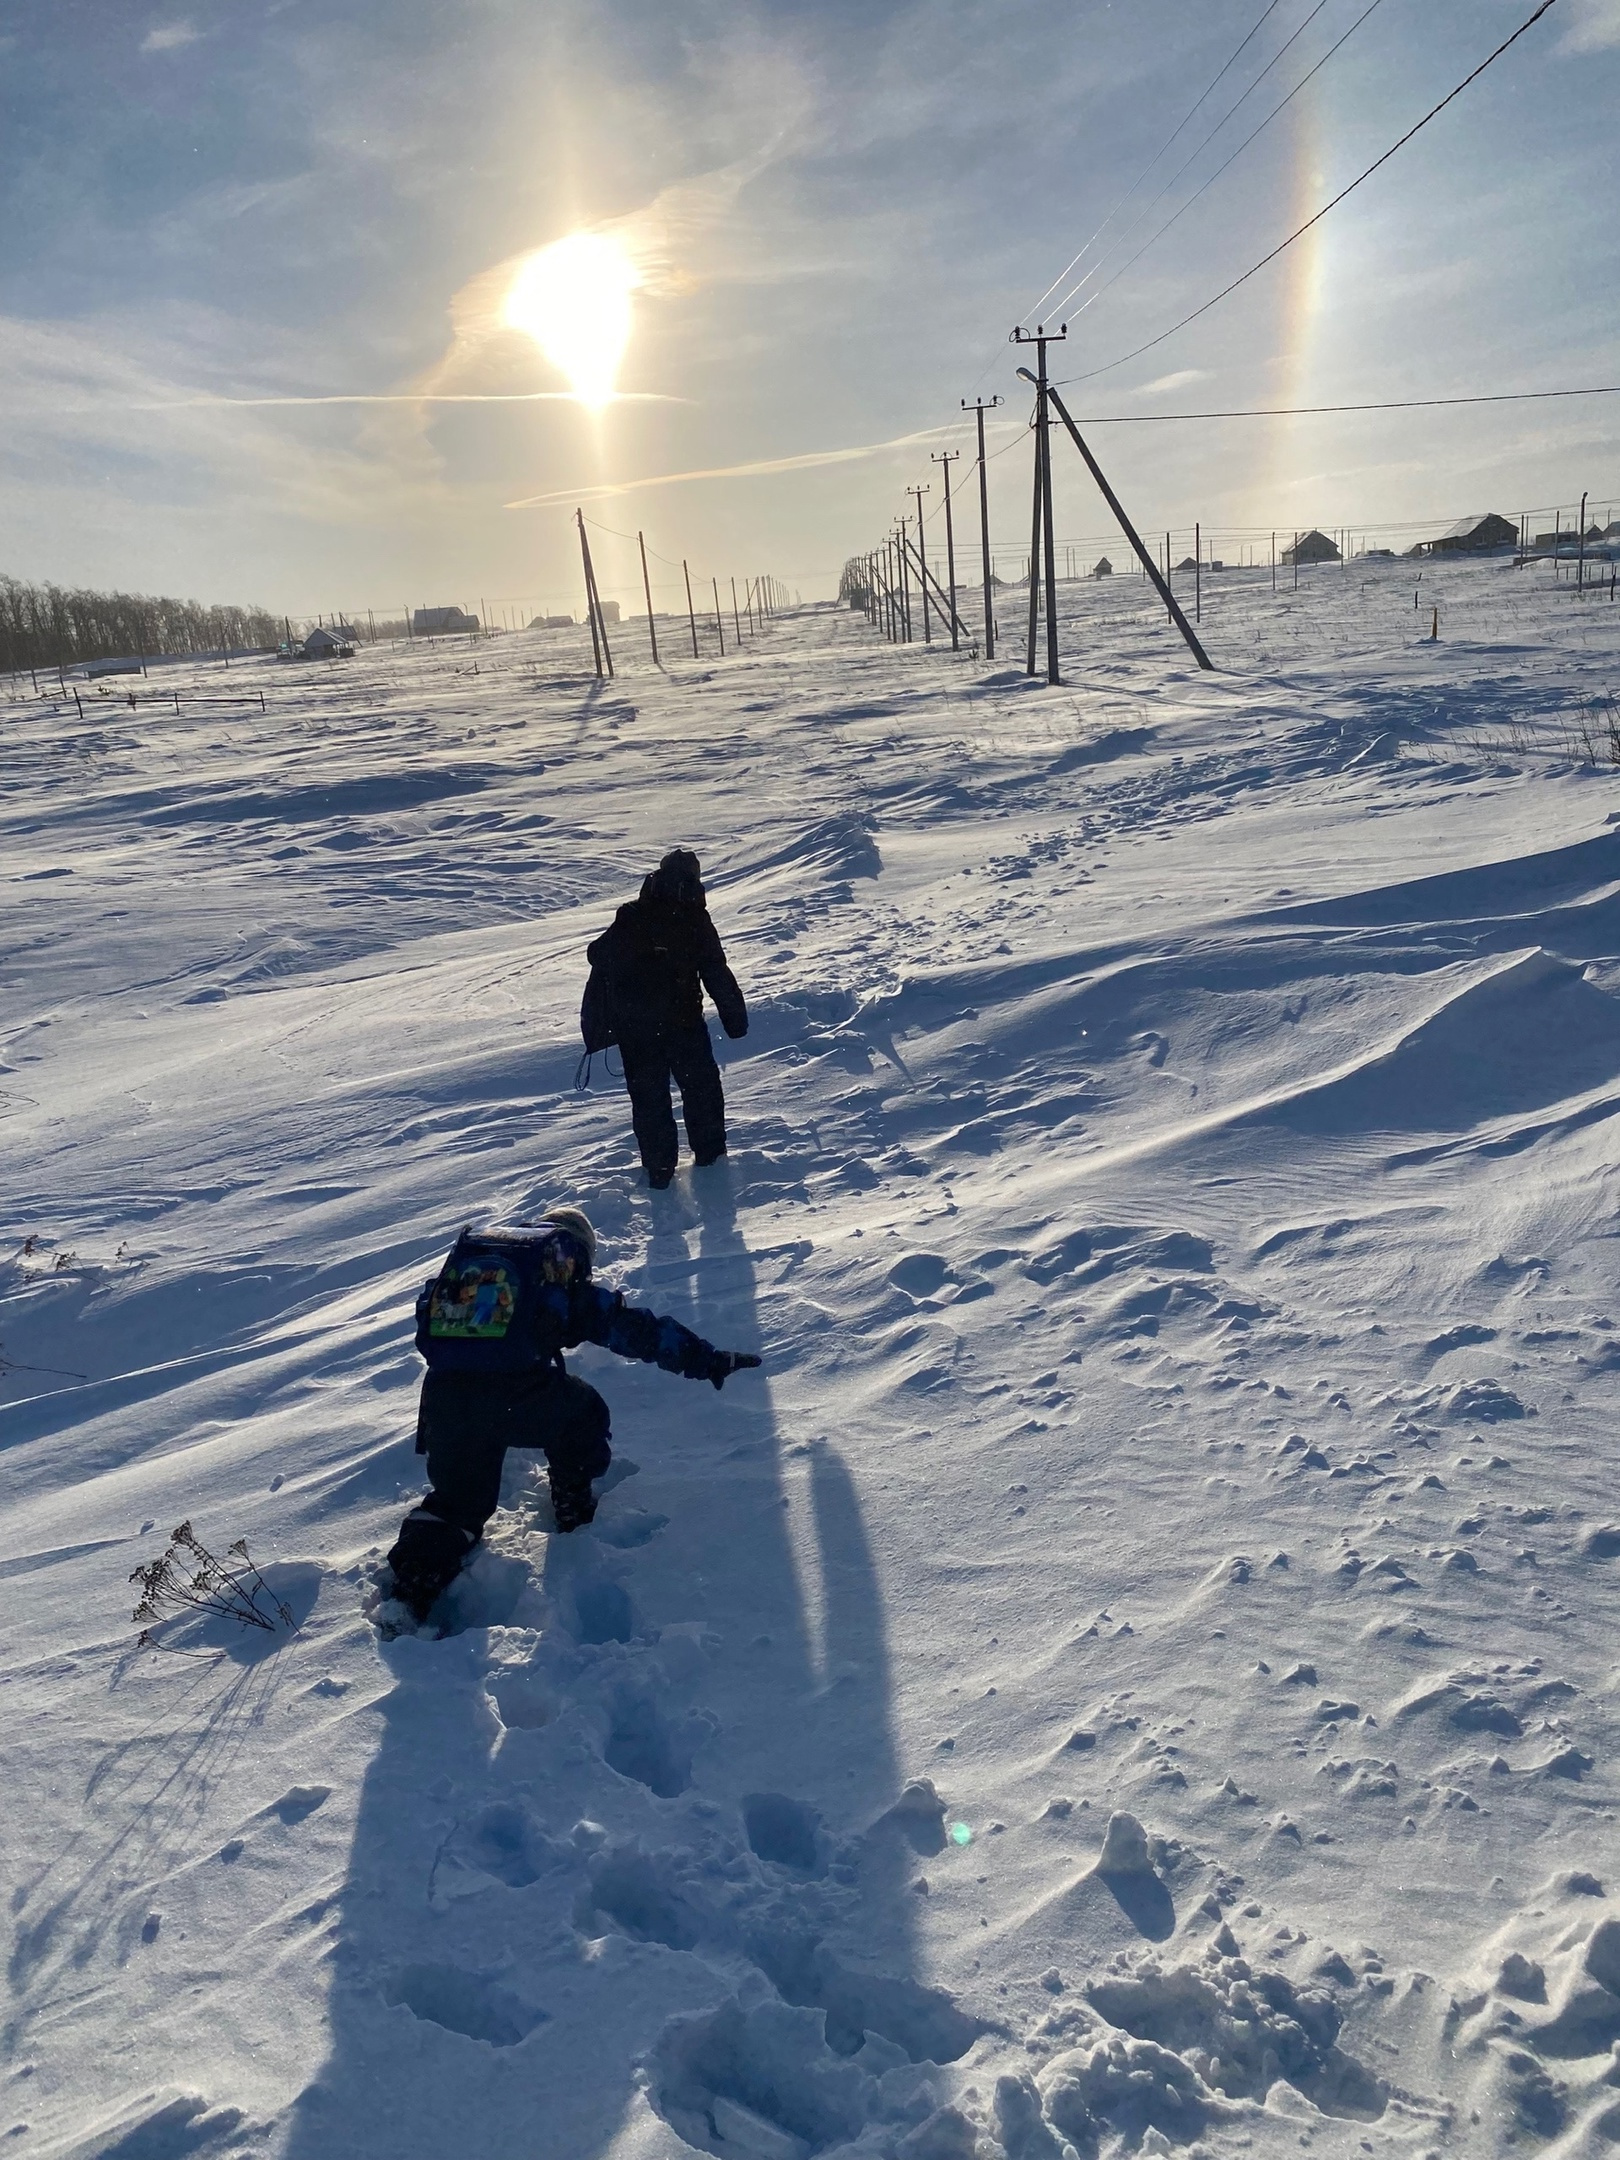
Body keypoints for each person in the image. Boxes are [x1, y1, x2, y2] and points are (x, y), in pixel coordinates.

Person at [384, 1205, 760, 1622]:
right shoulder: (554, 1276)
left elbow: (428, 1318)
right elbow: (635, 1330)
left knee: (455, 1506)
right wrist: (706, 1360)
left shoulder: (484, 1263)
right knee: (584, 1411)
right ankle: (571, 1505)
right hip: (516, 1396)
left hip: (445, 1397)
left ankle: (408, 1594)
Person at [585, 847, 747, 1189]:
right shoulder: (694, 919)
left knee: (650, 1101)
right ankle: (711, 1161)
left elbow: (597, 954)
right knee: (701, 1090)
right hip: (683, 1024)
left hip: (636, 1032)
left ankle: (659, 1173)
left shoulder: (632, 914)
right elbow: (715, 970)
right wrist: (735, 1019)